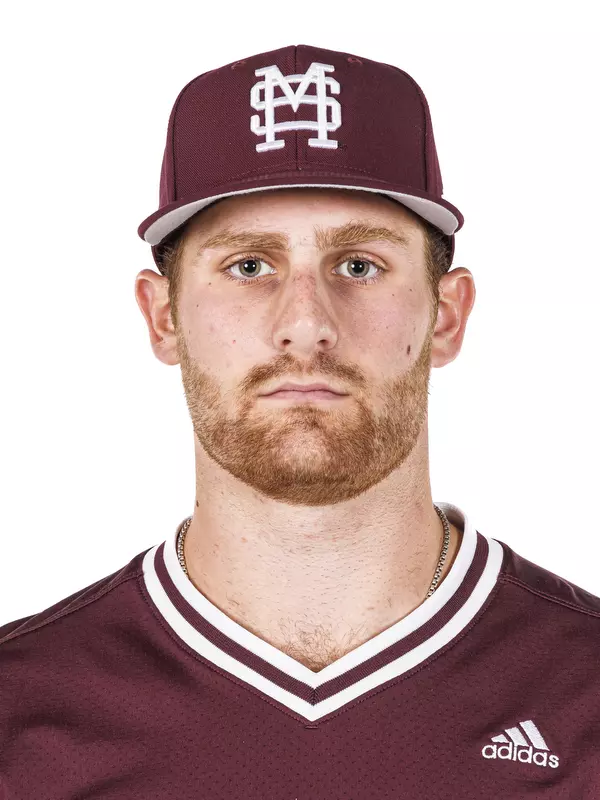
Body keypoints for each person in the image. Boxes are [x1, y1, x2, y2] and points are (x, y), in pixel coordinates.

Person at [1, 43, 599, 799]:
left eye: (358, 265)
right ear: (163, 318)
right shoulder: (19, 714)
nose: (306, 325)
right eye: (250, 266)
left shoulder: (585, 695)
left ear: (447, 316)